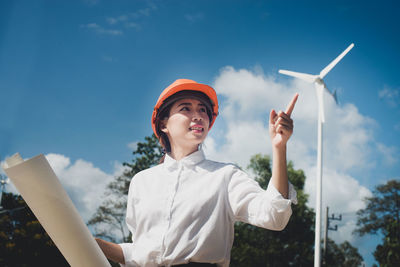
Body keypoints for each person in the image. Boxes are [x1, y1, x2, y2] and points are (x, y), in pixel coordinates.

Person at [96, 79, 299, 267]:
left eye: (203, 110)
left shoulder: (225, 176)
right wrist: (87, 241)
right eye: (186, 108)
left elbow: (275, 216)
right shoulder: (142, 182)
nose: (198, 115)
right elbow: (140, 251)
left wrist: (279, 148)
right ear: (163, 123)